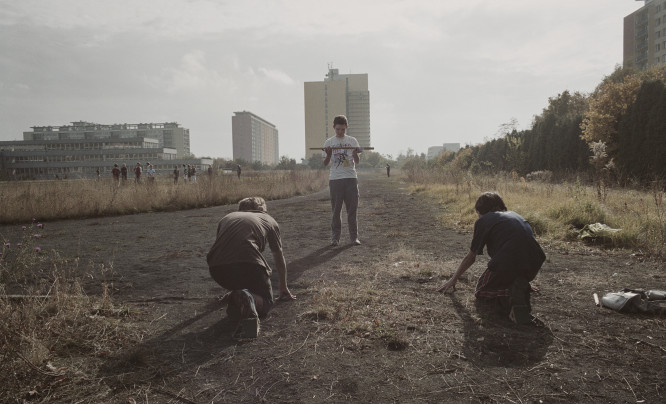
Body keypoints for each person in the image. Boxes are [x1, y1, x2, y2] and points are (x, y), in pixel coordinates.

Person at [436, 192, 546, 325]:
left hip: (508, 261)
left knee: (481, 291)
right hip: (535, 262)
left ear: (480, 211)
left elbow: (471, 257)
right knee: (509, 266)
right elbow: (522, 246)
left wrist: (453, 279)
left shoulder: (484, 220)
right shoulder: (515, 216)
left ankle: (513, 292)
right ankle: (520, 283)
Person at [207, 197, 296, 336]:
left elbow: (225, 248)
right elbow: (278, 257)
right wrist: (283, 287)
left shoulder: (227, 217)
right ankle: (248, 298)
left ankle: (236, 294)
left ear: (240, 209)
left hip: (216, 269)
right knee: (266, 302)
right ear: (263, 209)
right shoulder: (268, 220)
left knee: (240, 279)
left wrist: (228, 287)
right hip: (249, 265)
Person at [323, 115, 361, 246]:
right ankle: (335, 238)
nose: (340, 132)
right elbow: (325, 163)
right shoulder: (329, 142)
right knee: (336, 210)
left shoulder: (352, 141)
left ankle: (354, 237)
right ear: (334, 127)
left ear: (346, 128)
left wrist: (355, 154)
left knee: (352, 210)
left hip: (351, 178)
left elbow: (357, 161)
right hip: (335, 179)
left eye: (343, 129)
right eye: (338, 129)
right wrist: (328, 155)